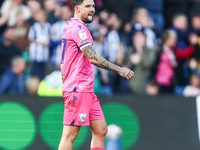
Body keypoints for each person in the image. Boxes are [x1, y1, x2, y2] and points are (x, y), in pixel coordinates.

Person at [58, 0, 134, 150]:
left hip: (86, 88)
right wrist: (119, 69)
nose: (92, 9)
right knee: (70, 135)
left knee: (101, 130)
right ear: (77, 9)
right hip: (77, 88)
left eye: (93, 6)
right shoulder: (78, 28)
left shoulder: (76, 26)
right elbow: (92, 57)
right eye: (87, 6)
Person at [28, 9, 51, 80]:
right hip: (36, 54)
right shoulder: (34, 26)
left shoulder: (48, 26)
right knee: (35, 73)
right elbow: (31, 38)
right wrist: (41, 42)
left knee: (43, 73)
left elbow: (50, 36)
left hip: (44, 54)